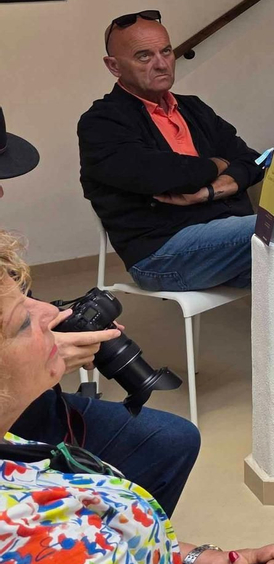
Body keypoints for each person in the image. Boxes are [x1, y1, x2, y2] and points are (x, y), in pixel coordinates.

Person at [1, 229, 274, 564]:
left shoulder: (19, 451)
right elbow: (72, 563)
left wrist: (198, 560)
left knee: (172, 440)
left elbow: (105, 552)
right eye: (22, 322)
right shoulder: (32, 538)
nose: (50, 312)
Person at [5, 107, 203, 515]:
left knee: (175, 440)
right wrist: (40, 359)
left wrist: (58, 319)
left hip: (38, 404)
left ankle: (142, 545)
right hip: (14, 423)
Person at [79, 10, 265, 292]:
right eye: (144, 56)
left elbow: (253, 161)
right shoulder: (102, 121)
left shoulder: (193, 108)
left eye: (166, 51)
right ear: (114, 66)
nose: (161, 64)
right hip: (161, 256)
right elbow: (168, 175)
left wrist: (209, 192)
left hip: (226, 241)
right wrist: (217, 163)